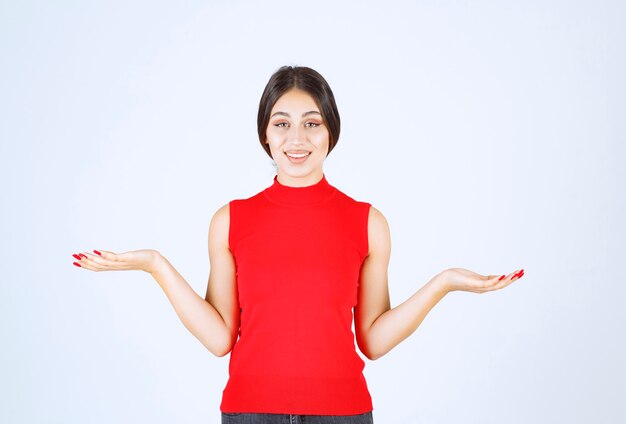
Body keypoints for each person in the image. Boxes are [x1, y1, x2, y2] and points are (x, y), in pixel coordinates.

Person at [71, 65, 524, 424]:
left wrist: (442, 284)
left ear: (331, 133)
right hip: (250, 414)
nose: (297, 139)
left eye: (312, 123)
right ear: (264, 135)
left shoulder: (368, 222)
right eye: (282, 123)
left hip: (344, 415)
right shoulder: (230, 220)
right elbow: (218, 337)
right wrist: (155, 265)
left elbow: (373, 339)